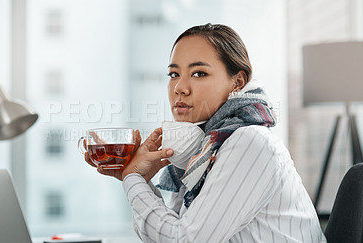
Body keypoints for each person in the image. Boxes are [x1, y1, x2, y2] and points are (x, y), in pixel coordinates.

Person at [84, 23, 326, 242]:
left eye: (199, 73)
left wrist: (133, 179)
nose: (180, 88)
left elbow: (182, 240)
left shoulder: (250, 142)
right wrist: (139, 179)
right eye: (174, 74)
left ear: (237, 82)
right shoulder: (204, 148)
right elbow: (173, 230)